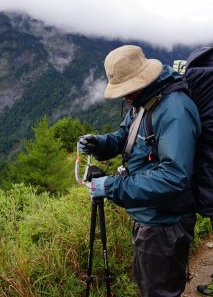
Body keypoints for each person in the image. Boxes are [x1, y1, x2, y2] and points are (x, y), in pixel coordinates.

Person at [78, 45, 201, 297]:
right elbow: (127, 136)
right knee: (149, 286)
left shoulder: (174, 110)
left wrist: (110, 186)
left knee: (157, 291)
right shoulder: (143, 100)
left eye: (127, 89)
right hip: (150, 216)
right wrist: (99, 143)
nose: (125, 97)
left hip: (164, 223)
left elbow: (174, 176)